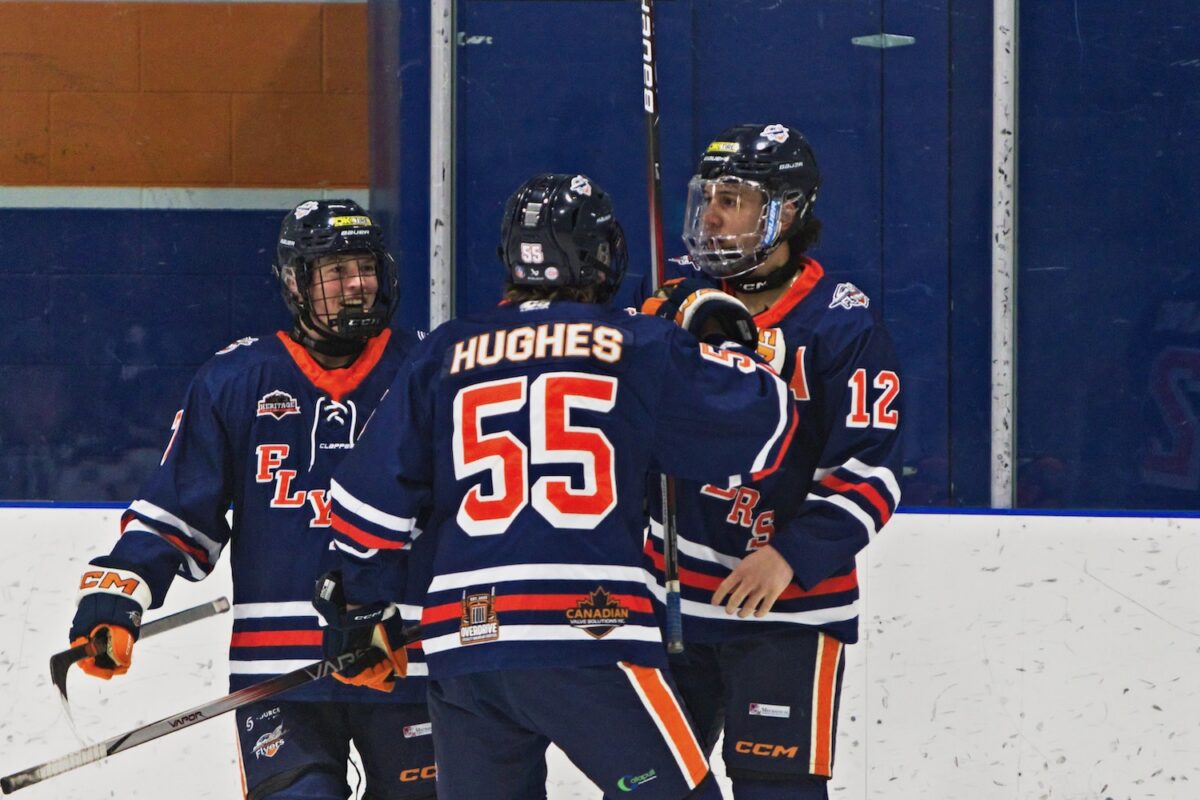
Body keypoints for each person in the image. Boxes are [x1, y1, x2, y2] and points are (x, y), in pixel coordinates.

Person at [313, 172, 798, 800]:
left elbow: (364, 511)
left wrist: (363, 611)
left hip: (466, 646)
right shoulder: (639, 342)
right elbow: (768, 427)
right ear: (603, 255)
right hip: (593, 632)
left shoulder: (442, 352)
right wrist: (717, 333)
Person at [66, 200, 437, 800]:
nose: (358, 286)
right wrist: (118, 592)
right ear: (296, 281)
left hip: (405, 657)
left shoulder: (426, 368)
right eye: (336, 272)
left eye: (365, 268)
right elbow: (181, 510)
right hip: (280, 673)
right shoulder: (234, 379)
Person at [643, 124, 905, 800]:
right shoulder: (668, 309)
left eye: (732, 199)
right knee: (652, 786)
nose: (711, 215)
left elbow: (871, 471)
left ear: (786, 211)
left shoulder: (840, 323)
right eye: (707, 198)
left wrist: (789, 555)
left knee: (776, 788)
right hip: (674, 600)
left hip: (791, 607)